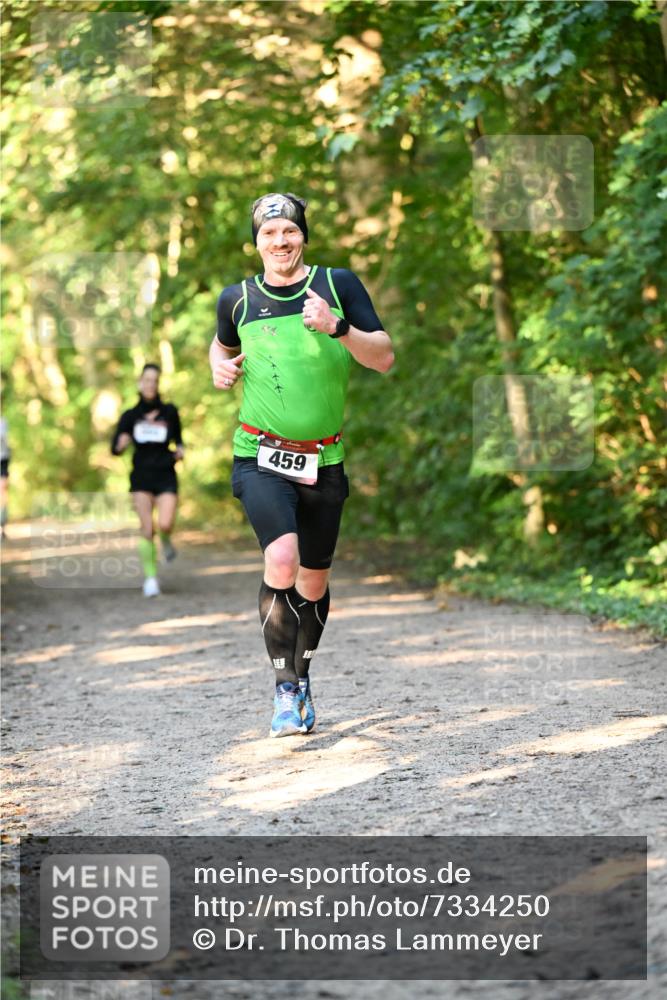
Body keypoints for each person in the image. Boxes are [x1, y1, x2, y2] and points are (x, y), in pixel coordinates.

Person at [210, 192, 394, 737]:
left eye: (289, 232)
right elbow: (221, 349)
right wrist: (220, 370)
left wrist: (338, 327)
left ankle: (303, 677)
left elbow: (382, 357)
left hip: (324, 459)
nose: (280, 242)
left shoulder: (338, 286)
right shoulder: (237, 299)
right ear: (256, 242)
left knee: (314, 582)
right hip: (259, 454)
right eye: (269, 234)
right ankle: (284, 690)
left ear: (303, 237)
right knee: (282, 560)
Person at [111, 363, 184, 597]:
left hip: (165, 475)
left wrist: (181, 451)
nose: (151, 384)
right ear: (140, 383)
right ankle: (151, 579)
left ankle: (167, 539)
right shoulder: (130, 416)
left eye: (155, 380)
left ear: (158, 384)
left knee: (164, 524)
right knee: (146, 528)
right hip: (141, 477)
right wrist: (120, 444)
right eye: (147, 380)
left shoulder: (169, 411)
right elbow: (116, 447)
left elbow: (179, 441)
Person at [0, 415, 10, 538]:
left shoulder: (3, 422)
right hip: (4, 459)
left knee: (2, 492)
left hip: (2, 460)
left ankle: (2, 525)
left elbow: (3, 439)